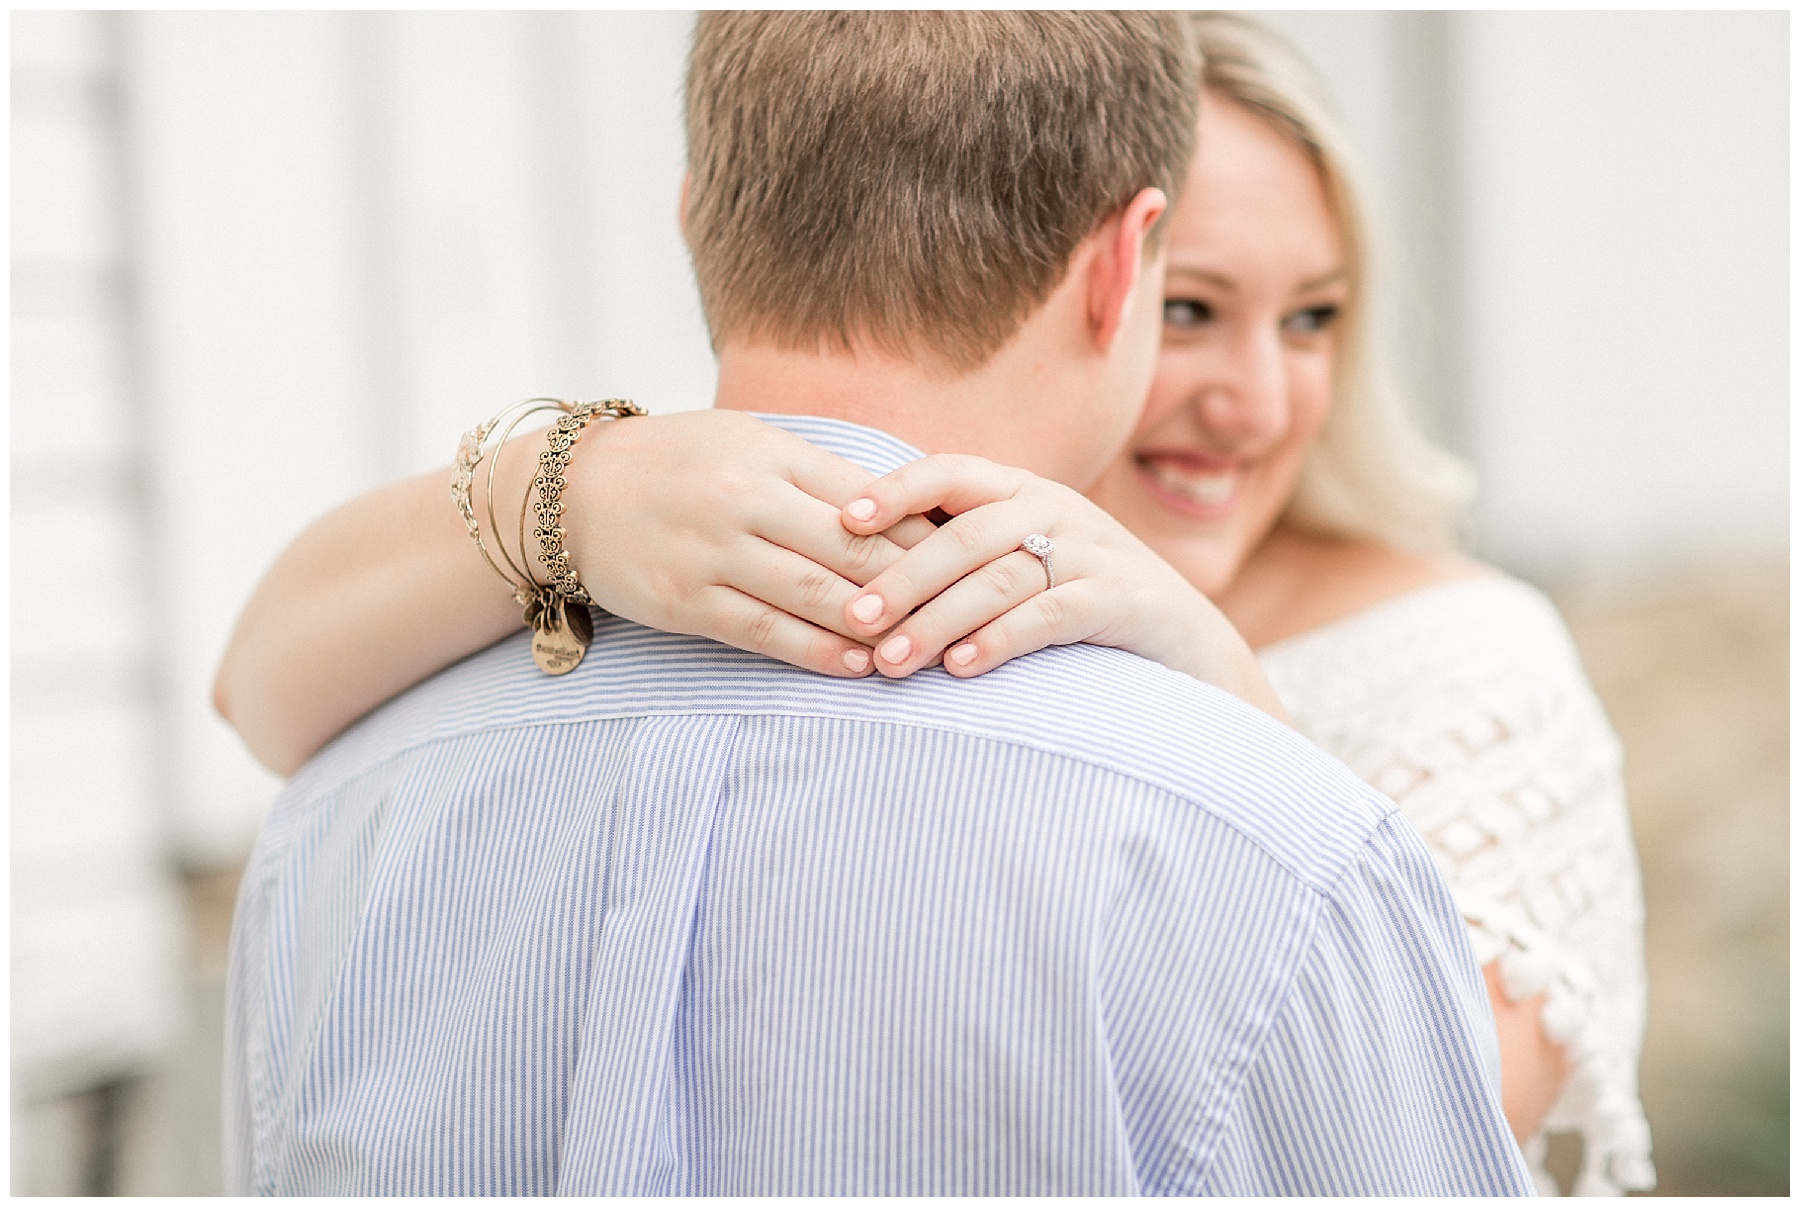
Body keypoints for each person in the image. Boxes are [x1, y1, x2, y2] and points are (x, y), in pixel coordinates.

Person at [218, 13, 1650, 1194]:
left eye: (1314, 317)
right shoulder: (1269, 843)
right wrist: (572, 486)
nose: (1256, 400)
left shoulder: (349, 802)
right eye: (1193, 305)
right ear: (1123, 268)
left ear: (700, 217)